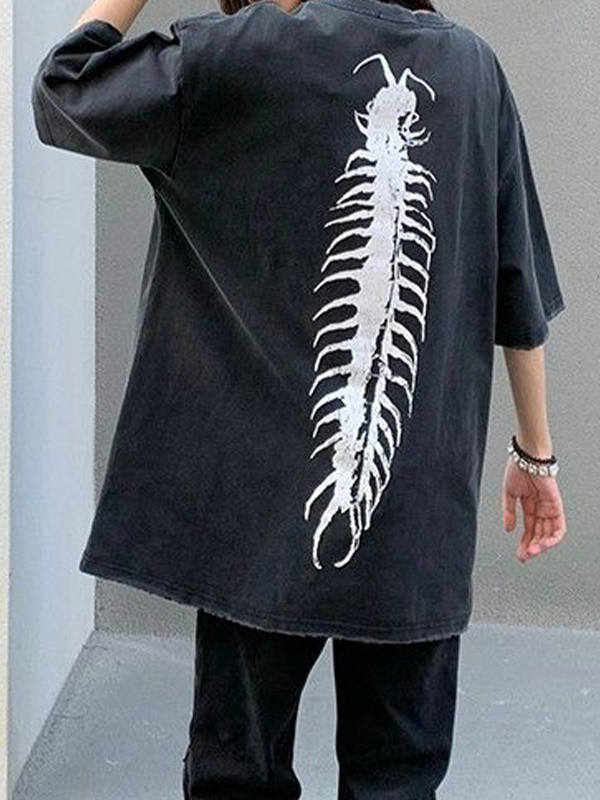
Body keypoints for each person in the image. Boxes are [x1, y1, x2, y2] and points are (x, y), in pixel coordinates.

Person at [30, 0, 568, 797]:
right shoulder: (472, 70)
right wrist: (536, 453)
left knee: (236, 772)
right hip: (417, 517)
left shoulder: (236, 56)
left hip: (255, 516)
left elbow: (64, 88)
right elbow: (516, 287)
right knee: (397, 776)